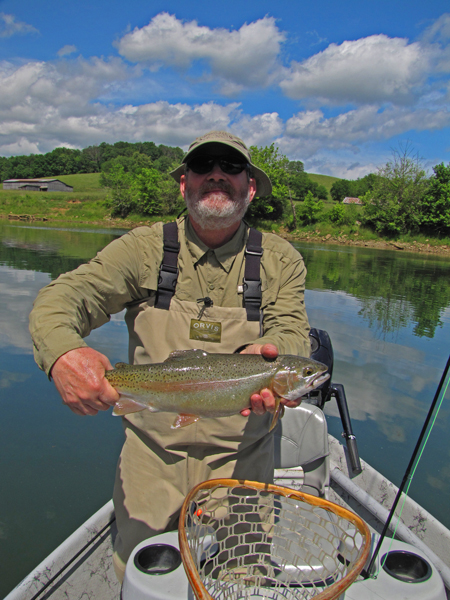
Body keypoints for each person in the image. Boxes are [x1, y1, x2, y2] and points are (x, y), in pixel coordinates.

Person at [29, 130, 311, 580]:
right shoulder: (142, 248)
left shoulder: (281, 259)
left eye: (231, 167)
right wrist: (64, 353)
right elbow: (64, 297)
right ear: (184, 183)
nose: (217, 175)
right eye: (203, 166)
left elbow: (292, 330)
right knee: (145, 583)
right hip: (150, 460)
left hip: (243, 462)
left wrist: (276, 354)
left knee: (243, 580)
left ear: (250, 187)